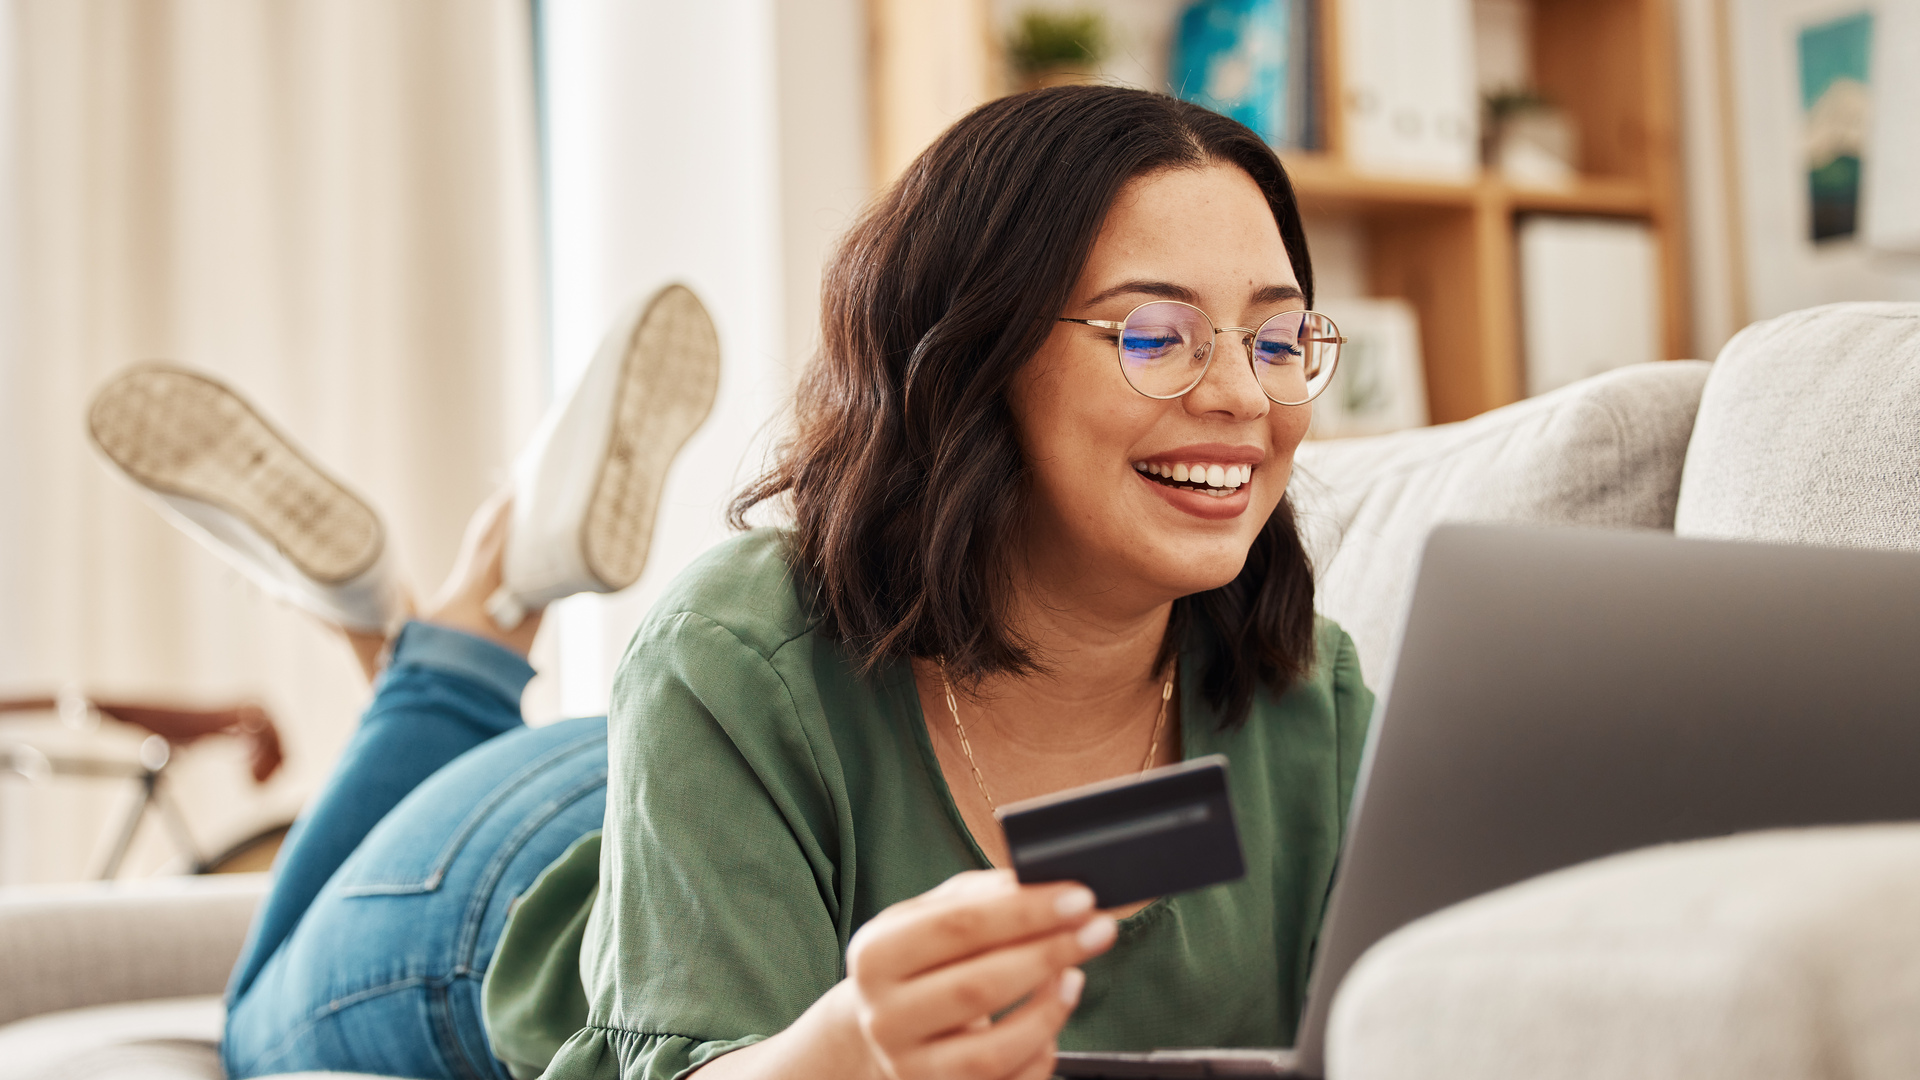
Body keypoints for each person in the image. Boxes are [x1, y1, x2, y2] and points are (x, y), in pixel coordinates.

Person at [94, 84, 1372, 1080]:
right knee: (261, 1024)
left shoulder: (1315, 698)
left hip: (716, 795)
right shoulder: (734, 647)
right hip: (511, 880)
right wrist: (853, 1052)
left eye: (1276, 337)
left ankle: (431, 614)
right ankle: (452, 643)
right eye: (1155, 335)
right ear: (969, 359)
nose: (1242, 397)